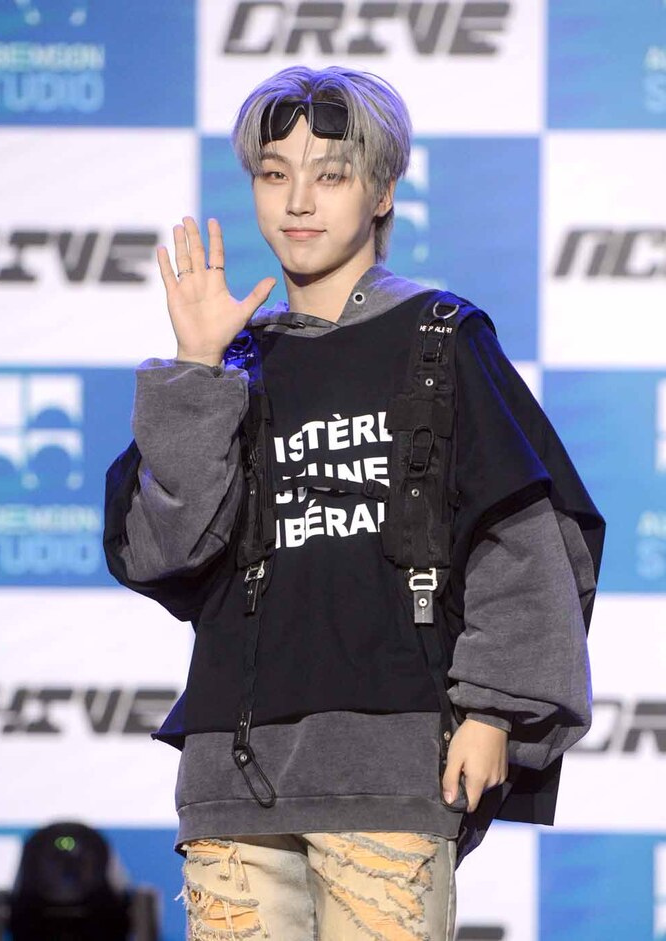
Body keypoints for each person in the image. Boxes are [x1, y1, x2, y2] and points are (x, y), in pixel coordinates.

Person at [103, 65, 604, 940]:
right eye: (274, 173)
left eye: (330, 174)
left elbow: (522, 543)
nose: (298, 200)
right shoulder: (231, 361)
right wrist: (195, 369)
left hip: (390, 773)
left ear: (382, 191)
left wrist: (495, 710)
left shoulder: (441, 335)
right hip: (232, 782)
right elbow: (162, 549)